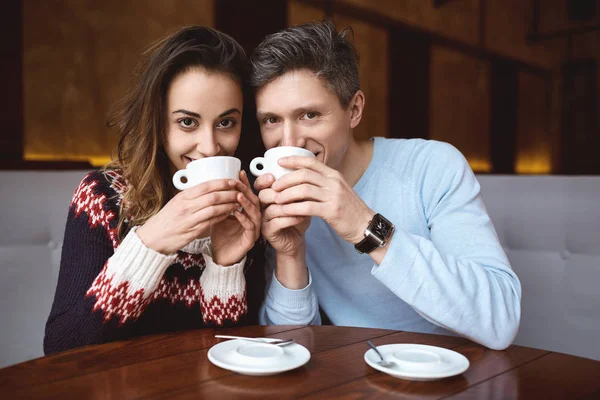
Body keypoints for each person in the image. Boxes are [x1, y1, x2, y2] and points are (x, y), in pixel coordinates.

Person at [251, 21, 521, 350]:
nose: (289, 140)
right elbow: (286, 347)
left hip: (457, 375)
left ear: (354, 110)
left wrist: (364, 225)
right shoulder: (276, 198)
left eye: (309, 115)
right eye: (272, 120)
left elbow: (500, 318)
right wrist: (290, 255)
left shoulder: (433, 166)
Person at [44, 26, 264, 354]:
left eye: (226, 122)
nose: (210, 146)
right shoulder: (103, 197)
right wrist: (151, 244)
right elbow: (61, 348)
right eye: (187, 122)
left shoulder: (248, 206)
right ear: (157, 122)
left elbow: (233, 353)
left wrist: (225, 267)